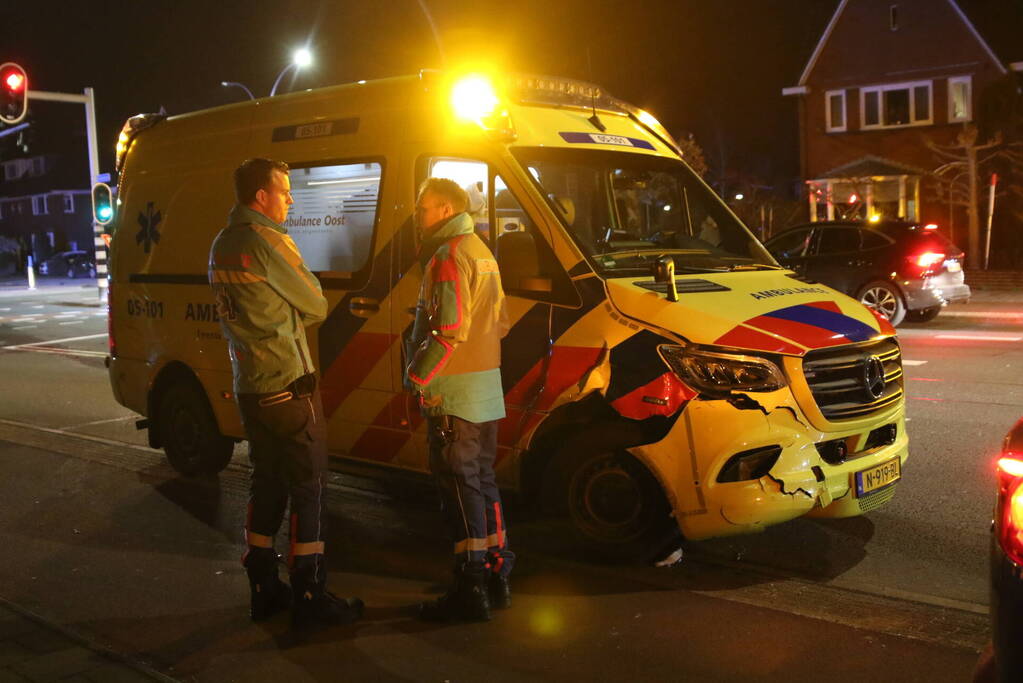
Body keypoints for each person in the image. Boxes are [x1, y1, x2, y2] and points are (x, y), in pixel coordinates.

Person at [208, 157, 362, 628]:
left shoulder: (222, 244)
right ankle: (310, 591)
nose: (291, 199)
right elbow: (315, 303)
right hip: (289, 385)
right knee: (309, 486)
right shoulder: (269, 240)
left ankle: (262, 584)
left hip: (250, 385)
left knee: (266, 480)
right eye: (285, 191)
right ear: (262, 197)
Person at [406, 177, 514, 622]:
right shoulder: (481, 251)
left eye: (424, 208)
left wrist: (417, 375)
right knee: (482, 483)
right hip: (486, 388)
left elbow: (449, 329)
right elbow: (501, 321)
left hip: (455, 393)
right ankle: (496, 574)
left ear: (447, 209)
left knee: (458, 490)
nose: (419, 216)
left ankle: (469, 588)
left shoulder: (448, 256)